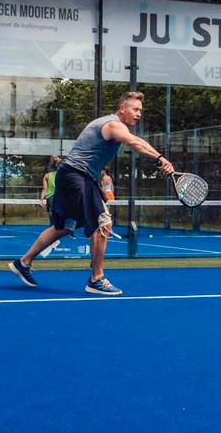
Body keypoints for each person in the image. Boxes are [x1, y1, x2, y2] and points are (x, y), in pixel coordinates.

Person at [10, 92, 174, 295]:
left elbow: (137, 140)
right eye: (135, 109)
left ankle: (23, 263)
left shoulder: (114, 125)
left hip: (73, 175)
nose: (139, 114)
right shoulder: (113, 125)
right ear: (122, 108)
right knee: (103, 222)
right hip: (75, 175)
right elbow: (134, 143)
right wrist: (160, 159)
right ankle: (96, 279)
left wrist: (160, 157)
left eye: (141, 110)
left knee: (64, 226)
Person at [40, 155, 61, 225]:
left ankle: (52, 230)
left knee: (52, 217)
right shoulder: (63, 175)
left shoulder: (47, 176)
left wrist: (41, 200)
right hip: (59, 197)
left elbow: (44, 189)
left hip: (51, 198)